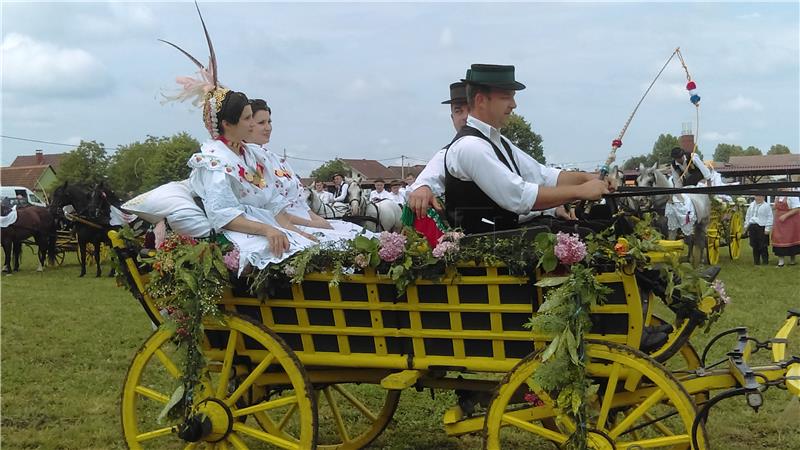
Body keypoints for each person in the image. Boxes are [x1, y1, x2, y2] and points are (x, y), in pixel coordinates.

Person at [415, 64, 611, 234]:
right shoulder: (470, 147)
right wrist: (580, 191)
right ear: (482, 100)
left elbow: (544, 175)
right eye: (506, 97)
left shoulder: (499, 142)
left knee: (609, 224)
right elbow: (519, 197)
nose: (514, 104)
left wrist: (588, 177)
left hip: (515, 231)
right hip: (492, 241)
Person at [244, 99, 331, 229]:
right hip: (282, 225)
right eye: (261, 123)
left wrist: (319, 220)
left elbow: (300, 202)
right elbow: (267, 208)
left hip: (305, 222)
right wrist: (312, 224)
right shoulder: (247, 158)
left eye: (269, 122)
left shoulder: (276, 159)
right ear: (247, 125)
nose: (268, 128)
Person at [407, 81, 469, 214]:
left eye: (470, 110)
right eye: (459, 111)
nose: (465, 117)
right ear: (452, 118)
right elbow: (428, 178)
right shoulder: (448, 155)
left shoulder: (507, 148)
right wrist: (423, 187)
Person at [771, 191, 800, 267]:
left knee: (791, 239)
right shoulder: (778, 195)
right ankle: (781, 262)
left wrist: (785, 215)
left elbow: (797, 209)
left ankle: (792, 260)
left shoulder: (792, 195)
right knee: (779, 239)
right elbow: (775, 206)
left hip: (791, 222)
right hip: (779, 222)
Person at [744, 195, 772, 265]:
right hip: (752, 226)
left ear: (763, 197)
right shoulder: (751, 205)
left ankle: (765, 261)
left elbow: (770, 217)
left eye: (760, 196)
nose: (758, 198)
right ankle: (756, 261)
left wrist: (767, 228)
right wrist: (746, 225)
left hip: (762, 227)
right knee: (754, 245)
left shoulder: (766, 206)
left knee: (763, 245)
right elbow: (748, 216)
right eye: (757, 196)